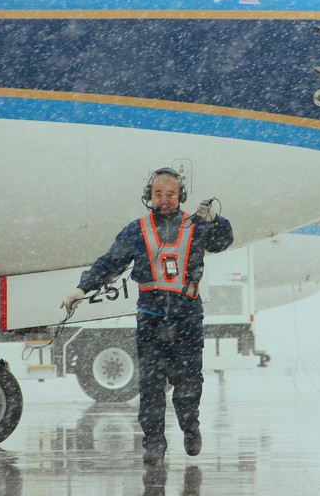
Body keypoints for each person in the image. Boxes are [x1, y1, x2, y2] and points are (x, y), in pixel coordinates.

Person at [62, 168, 234, 465]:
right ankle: (154, 443)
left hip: (187, 319)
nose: (164, 200)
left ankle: (190, 428)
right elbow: (110, 263)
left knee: (188, 383)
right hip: (151, 319)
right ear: (148, 196)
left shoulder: (196, 226)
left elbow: (222, 242)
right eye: (158, 194)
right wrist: (82, 289)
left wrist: (215, 221)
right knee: (151, 387)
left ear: (181, 196)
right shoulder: (137, 229)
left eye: (170, 194)